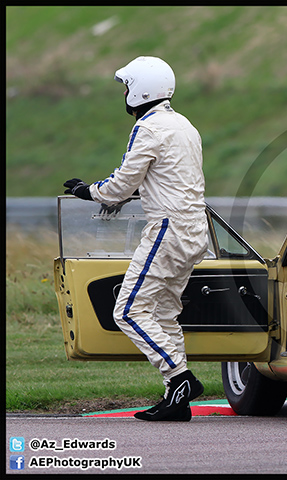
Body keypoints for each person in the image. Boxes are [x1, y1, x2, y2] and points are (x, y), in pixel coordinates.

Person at [63, 56, 208, 421]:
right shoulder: (184, 125)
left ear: (141, 90)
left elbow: (121, 184)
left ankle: (181, 378)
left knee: (127, 310)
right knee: (164, 313)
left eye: (127, 87)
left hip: (167, 230)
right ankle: (176, 401)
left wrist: (88, 191)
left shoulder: (148, 128)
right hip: (194, 230)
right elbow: (164, 179)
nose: (125, 94)